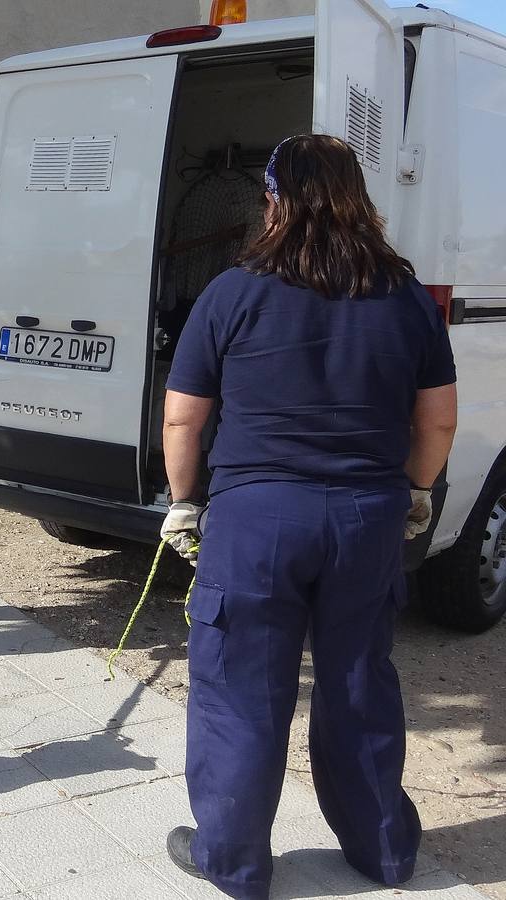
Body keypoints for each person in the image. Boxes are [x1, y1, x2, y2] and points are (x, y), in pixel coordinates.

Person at [159, 134, 458, 899]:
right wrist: (417, 491)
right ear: (358, 197)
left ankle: (233, 860)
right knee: (359, 681)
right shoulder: (407, 299)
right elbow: (437, 422)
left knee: (240, 688)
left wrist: (184, 504)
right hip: (366, 518)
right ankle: (383, 851)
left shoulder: (233, 292)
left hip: (256, 522)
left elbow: (184, 418)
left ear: (273, 200)